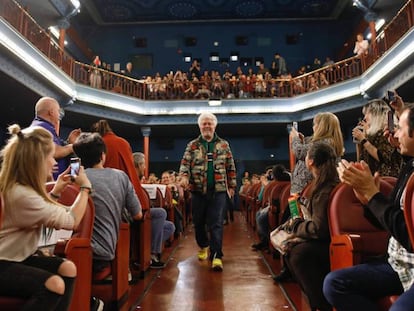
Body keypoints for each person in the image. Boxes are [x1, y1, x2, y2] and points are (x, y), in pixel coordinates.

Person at [323, 105, 414, 311]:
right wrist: (368, 201)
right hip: (396, 265)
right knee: (334, 284)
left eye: (400, 128)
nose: (395, 134)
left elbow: (410, 237)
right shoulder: (409, 168)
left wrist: (373, 195)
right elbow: (390, 219)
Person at [0, 124, 91, 310]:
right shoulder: (22, 194)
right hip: (4, 262)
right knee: (54, 284)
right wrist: (85, 188)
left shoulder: (22, 188)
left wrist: (57, 190)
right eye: (50, 156)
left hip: (15, 257)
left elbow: (42, 211)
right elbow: (72, 221)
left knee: (68, 268)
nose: (54, 162)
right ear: (37, 160)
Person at [72, 132, 143, 276]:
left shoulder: (74, 178)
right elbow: (138, 215)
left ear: (79, 158)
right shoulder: (120, 176)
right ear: (103, 155)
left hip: (71, 248)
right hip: (102, 254)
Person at [282, 142, 339, 311]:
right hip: (332, 238)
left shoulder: (323, 189)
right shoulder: (331, 181)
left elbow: (319, 229)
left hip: (330, 242)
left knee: (295, 252)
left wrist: (297, 225)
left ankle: (321, 304)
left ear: (310, 161)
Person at [179, 112, 237, 271]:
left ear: (215, 126)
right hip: (197, 190)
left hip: (218, 190)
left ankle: (217, 255)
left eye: (209, 123)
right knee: (198, 222)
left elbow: (230, 167)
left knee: (216, 223)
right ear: (199, 126)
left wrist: (232, 186)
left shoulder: (224, 145)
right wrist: (184, 177)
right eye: (204, 123)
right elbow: (185, 164)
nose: (207, 126)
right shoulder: (192, 145)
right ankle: (204, 245)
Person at [133, 152, 176, 268]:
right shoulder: (131, 179)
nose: (145, 168)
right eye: (144, 165)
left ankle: (146, 250)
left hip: (141, 211)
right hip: (133, 214)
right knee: (161, 213)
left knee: (170, 226)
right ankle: (152, 254)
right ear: (139, 165)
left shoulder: (138, 180)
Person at [31, 97, 81, 180]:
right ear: (51, 112)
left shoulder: (45, 127)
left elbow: (75, 169)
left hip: (57, 185)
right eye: (58, 111)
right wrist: (72, 147)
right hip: (49, 186)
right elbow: (54, 151)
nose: (59, 115)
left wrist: (70, 143)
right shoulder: (41, 127)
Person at [352, 99, 403, 177]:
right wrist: (359, 142)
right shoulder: (371, 136)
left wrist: (364, 140)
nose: (365, 118)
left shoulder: (388, 131)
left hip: (388, 180)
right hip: (373, 180)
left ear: (375, 114)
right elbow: (361, 162)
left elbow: (383, 157)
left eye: (366, 114)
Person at [251, 164, 291, 251]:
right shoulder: (275, 184)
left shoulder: (272, 185)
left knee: (260, 216)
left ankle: (266, 241)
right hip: (280, 208)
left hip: (277, 208)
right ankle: (266, 241)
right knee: (260, 214)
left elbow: (262, 199)